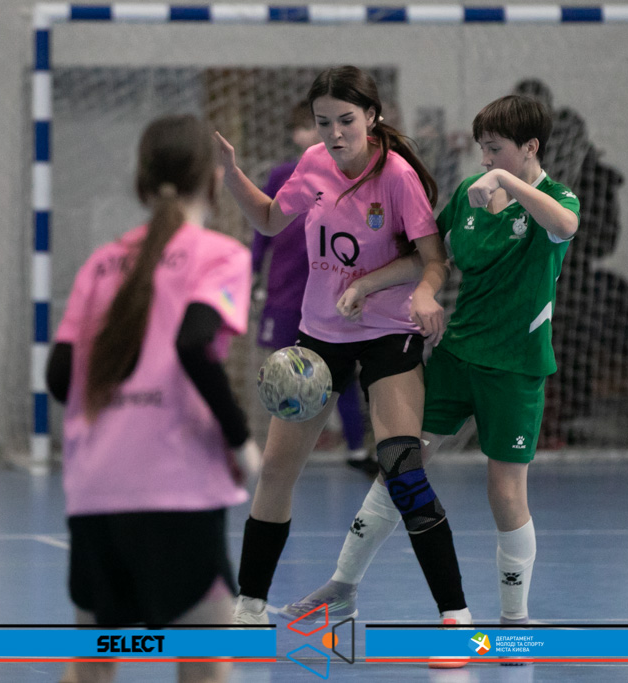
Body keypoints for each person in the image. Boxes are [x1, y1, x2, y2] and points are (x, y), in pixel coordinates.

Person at [283, 95, 580, 656]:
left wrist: (508, 183)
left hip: (515, 370)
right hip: (457, 355)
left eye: (495, 149)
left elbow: (564, 226)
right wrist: (369, 284)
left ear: (530, 148)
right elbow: (429, 257)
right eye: (482, 148)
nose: (485, 159)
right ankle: (343, 586)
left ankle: (513, 622)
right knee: (399, 465)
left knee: (505, 490)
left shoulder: (556, 199)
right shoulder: (469, 195)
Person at [213, 66, 472, 637]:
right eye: (323, 121)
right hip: (321, 335)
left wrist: (420, 293)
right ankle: (250, 605)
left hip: (387, 333)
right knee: (276, 470)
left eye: (346, 120)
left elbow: (432, 259)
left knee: (402, 469)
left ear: (372, 117)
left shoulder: (397, 176)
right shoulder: (313, 165)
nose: (334, 133)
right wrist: (231, 175)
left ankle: (455, 615)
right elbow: (268, 218)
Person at [45, 114, 261, 683]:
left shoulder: (100, 263)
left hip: (96, 490)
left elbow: (61, 375)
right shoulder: (220, 255)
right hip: (178, 491)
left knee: (92, 666)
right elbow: (193, 342)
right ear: (213, 181)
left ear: (142, 183)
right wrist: (241, 440)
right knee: (205, 667)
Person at [252, 100, 376, 476]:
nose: (312, 134)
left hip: (330, 295)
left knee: (341, 373)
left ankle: (356, 448)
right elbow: (262, 229)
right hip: (285, 295)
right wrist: (253, 273)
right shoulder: (282, 176)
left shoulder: (347, 177)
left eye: (318, 126)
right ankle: (284, 451)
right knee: (284, 373)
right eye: (306, 127)